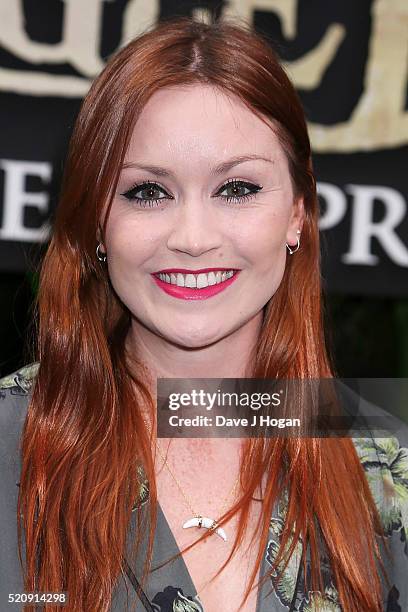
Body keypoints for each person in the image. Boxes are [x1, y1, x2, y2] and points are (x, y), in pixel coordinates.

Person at [0, 15, 407, 612]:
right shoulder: (11, 440)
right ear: (96, 221)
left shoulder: (386, 464)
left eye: (237, 188)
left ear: (297, 211)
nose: (193, 238)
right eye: (147, 191)